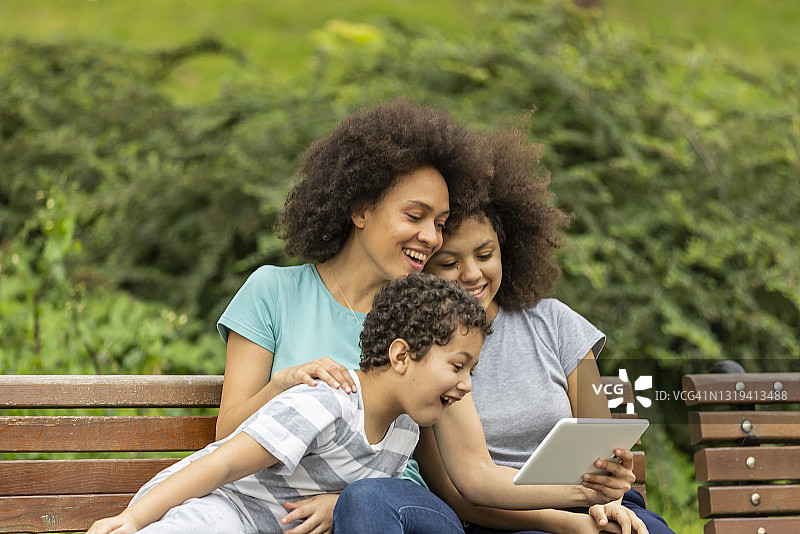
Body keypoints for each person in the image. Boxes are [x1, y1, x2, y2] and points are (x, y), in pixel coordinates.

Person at [214, 99, 636, 534]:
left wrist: (342, 500)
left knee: (366, 500)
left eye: (440, 222)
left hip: (402, 508)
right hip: (281, 508)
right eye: (416, 216)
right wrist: (284, 383)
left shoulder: (430, 314)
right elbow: (227, 435)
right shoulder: (273, 292)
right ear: (360, 209)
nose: (430, 237)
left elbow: (470, 473)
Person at [85, 273, 492, 534]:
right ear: (402, 356)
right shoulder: (326, 403)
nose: (466, 385)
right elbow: (222, 463)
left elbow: (366, 494)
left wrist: (337, 505)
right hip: (225, 508)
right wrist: (134, 519)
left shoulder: (404, 432)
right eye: (458, 366)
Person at [421, 129, 674, 534]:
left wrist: (609, 498)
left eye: (485, 255)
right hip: (503, 520)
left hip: (591, 504)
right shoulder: (424, 347)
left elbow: (601, 446)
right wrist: (567, 524)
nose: (472, 274)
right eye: (449, 263)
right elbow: (458, 494)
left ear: (507, 248)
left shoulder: (554, 323)